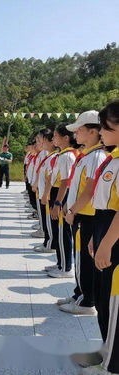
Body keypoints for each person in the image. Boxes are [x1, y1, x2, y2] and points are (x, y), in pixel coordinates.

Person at [81, 101, 119, 375]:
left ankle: (113, 365)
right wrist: (98, 237)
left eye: (107, 127)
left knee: (114, 303)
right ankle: (107, 350)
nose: (102, 132)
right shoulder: (113, 158)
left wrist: (106, 243)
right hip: (105, 229)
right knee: (105, 301)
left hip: (115, 238)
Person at [59, 111, 105, 315]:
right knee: (80, 257)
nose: (75, 134)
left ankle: (88, 301)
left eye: (79, 130)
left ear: (94, 132)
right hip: (81, 214)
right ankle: (80, 293)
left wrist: (72, 210)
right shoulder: (86, 155)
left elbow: (89, 190)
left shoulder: (96, 156)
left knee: (85, 260)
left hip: (88, 215)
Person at [46, 124, 78, 278]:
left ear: (66, 138)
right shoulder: (63, 154)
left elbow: (66, 182)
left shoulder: (68, 155)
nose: (53, 139)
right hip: (58, 192)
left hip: (62, 194)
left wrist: (58, 203)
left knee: (63, 232)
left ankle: (66, 268)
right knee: (59, 232)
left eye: (56, 136)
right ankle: (60, 263)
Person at [35, 129, 59, 254]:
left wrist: (45, 194)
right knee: (47, 222)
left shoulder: (53, 157)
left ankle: (50, 244)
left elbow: (51, 178)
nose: (40, 143)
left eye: (43, 140)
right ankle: (48, 242)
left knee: (50, 223)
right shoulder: (49, 156)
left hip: (48, 195)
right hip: (45, 193)